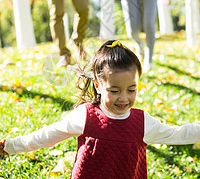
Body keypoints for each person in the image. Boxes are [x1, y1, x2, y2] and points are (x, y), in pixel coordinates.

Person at [0, 40, 199, 178]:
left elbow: (177, 134)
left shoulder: (142, 122)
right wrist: (11, 146)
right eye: (114, 90)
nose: (124, 98)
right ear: (97, 85)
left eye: (132, 89)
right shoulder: (86, 116)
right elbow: (48, 135)